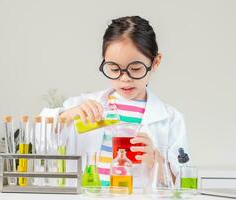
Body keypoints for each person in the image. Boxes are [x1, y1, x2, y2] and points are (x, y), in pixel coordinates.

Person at [41, 16, 188, 188]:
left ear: (155, 62)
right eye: (114, 69)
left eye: (135, 69)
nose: (124, 78)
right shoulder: (85, 104)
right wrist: (67, 115)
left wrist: (156, 162)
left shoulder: (170, 119)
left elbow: (184, 183)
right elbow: (40, 138)